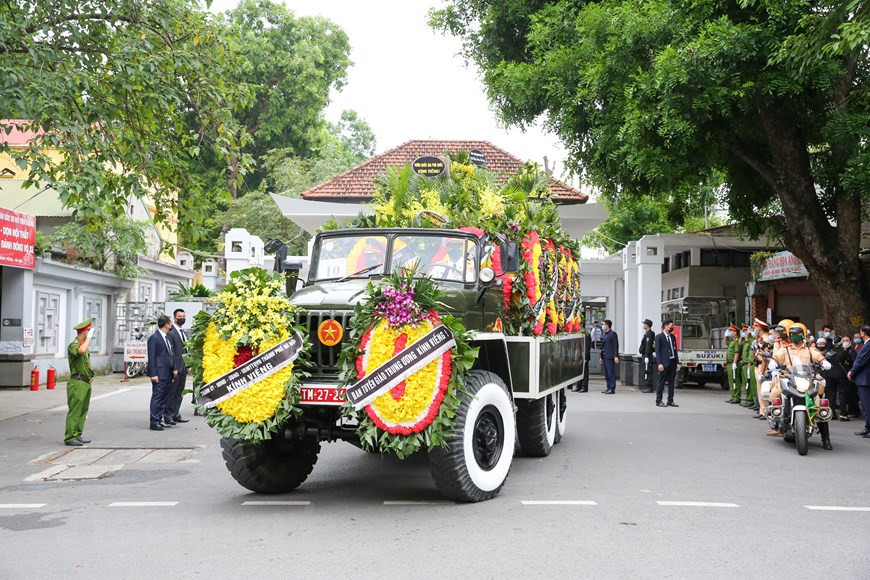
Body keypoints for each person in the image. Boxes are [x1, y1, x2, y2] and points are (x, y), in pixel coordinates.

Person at [770, 323, 832, 449]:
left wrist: (825, 362)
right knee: (774, 395)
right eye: (792, 334)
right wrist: (773, 364)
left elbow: (819, 357)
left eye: (797, 334)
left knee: (818, 406)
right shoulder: (785, 349)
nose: (794, 337)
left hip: (807, 381)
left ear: (803, 335)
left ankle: (825, 439)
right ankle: (776, 420)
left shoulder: (810, 350)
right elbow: (776, 358)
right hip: (789, 379)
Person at [64, 318, 95, 446]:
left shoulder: (83, 346)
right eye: (89, 330)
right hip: (77, 383)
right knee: (75, 410)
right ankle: (70, 437)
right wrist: (88, 338)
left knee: (83, 410)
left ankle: (77, 434)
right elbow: (80, 351)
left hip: (85, 383)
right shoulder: (74, 345)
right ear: (84, 332)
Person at [146, 315, 178, 431]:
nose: (172, 325)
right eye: (170, 323)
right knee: (157, 396)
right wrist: (153, 374)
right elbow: (152, 356)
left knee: (164, 397)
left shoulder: (167, 337)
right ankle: (154, 421)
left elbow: (171, 354)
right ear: (167, 325)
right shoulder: (155, 338)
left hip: (168, 372)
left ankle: (160, 419)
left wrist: (174, 368)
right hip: (159, 373)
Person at [163, 309, 190, 426]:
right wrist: (173, 366)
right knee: (172, 392)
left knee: (180, 391)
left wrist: (188, 365)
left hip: (183, 366)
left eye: (183, 316)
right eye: (179, 316)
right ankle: (168, 415)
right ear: (174, 318)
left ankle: (176, 413)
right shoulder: (171, 332)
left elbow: (186, 350)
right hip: (175, 368)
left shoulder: (184, 332)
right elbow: (171, 351)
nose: (182, 318)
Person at [847, 324, 870, 439]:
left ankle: (869, 428)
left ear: (863, 333)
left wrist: (852, 372)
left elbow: (860, 361)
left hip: (865, 379)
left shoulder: (868, 345)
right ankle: (867, 427)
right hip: (864, 378)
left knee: (866, 405)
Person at [654, 320, 681, 407]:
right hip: (664, 363)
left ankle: (670, 400)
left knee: (671, 382)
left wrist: (677, 363)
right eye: (670, 325)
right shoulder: (659, 337)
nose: (671, 327)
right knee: (661, 382)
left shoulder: (672, 337)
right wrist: (659, 363)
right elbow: (657, 351)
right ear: (665, 326)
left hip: (672, 362)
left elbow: (675, 350)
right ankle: (658, 400)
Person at [600, 319, 619, 394]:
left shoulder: (613, 334)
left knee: (611, 373)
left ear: (607, 325)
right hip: (605, 356)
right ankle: (608, 387)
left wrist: (616, 356)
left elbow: (615, 345)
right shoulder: (605, 334)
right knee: (607, 373)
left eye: (603, 325)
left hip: (610, 356)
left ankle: (612, 388)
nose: (603, 326)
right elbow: (603, 346)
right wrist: (601, 357)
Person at [638, 319, 655, 393]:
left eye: (645, 324)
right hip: (646, 354)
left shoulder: (649, 334)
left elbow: (648, 346)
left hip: (647, 355)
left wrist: (647, 356)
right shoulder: (648, 333)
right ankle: (647, 386)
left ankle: (649, 387)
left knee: (648, 371)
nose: (644, 325)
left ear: (647, 325)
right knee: (646, 371)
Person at [725, 324, 741, 404]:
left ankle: (737, 397)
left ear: (735, 332)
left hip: (733, 363)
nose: (730, 332)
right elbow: (725, 341)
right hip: (729, 363)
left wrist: (734, 362)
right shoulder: (731, 341)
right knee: (731, 380)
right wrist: (725, 335)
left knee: (735, 380)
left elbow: (736, 353)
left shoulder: (736, 342)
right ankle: (733, 395)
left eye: (731, 331)